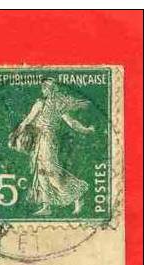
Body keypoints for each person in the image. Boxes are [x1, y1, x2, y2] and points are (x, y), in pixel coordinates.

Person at [9, 78, 94, 216]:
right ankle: (46, 205)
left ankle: (77, 194)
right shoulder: (51, 105)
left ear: (48, 89)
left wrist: (15, 135)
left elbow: (28, 121)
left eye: (45, 88)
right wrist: (86, 130)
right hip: (41, 140)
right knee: (41, 171)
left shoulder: (47, 104)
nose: (43, 90)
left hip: (47, 140)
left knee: (52, 171)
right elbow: (71, 123)